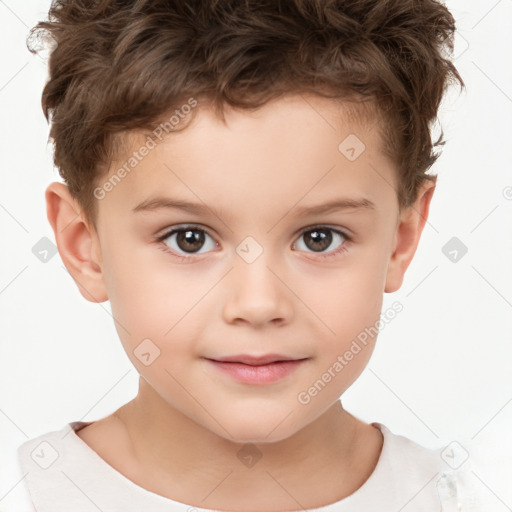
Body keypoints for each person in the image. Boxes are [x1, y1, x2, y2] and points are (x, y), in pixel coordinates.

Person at [15, 0, 480, 510]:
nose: (258, 305)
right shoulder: (24, 496)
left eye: (320, 237)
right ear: (86, 247)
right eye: (188, 238)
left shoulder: (456, 499)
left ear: (401, 239)